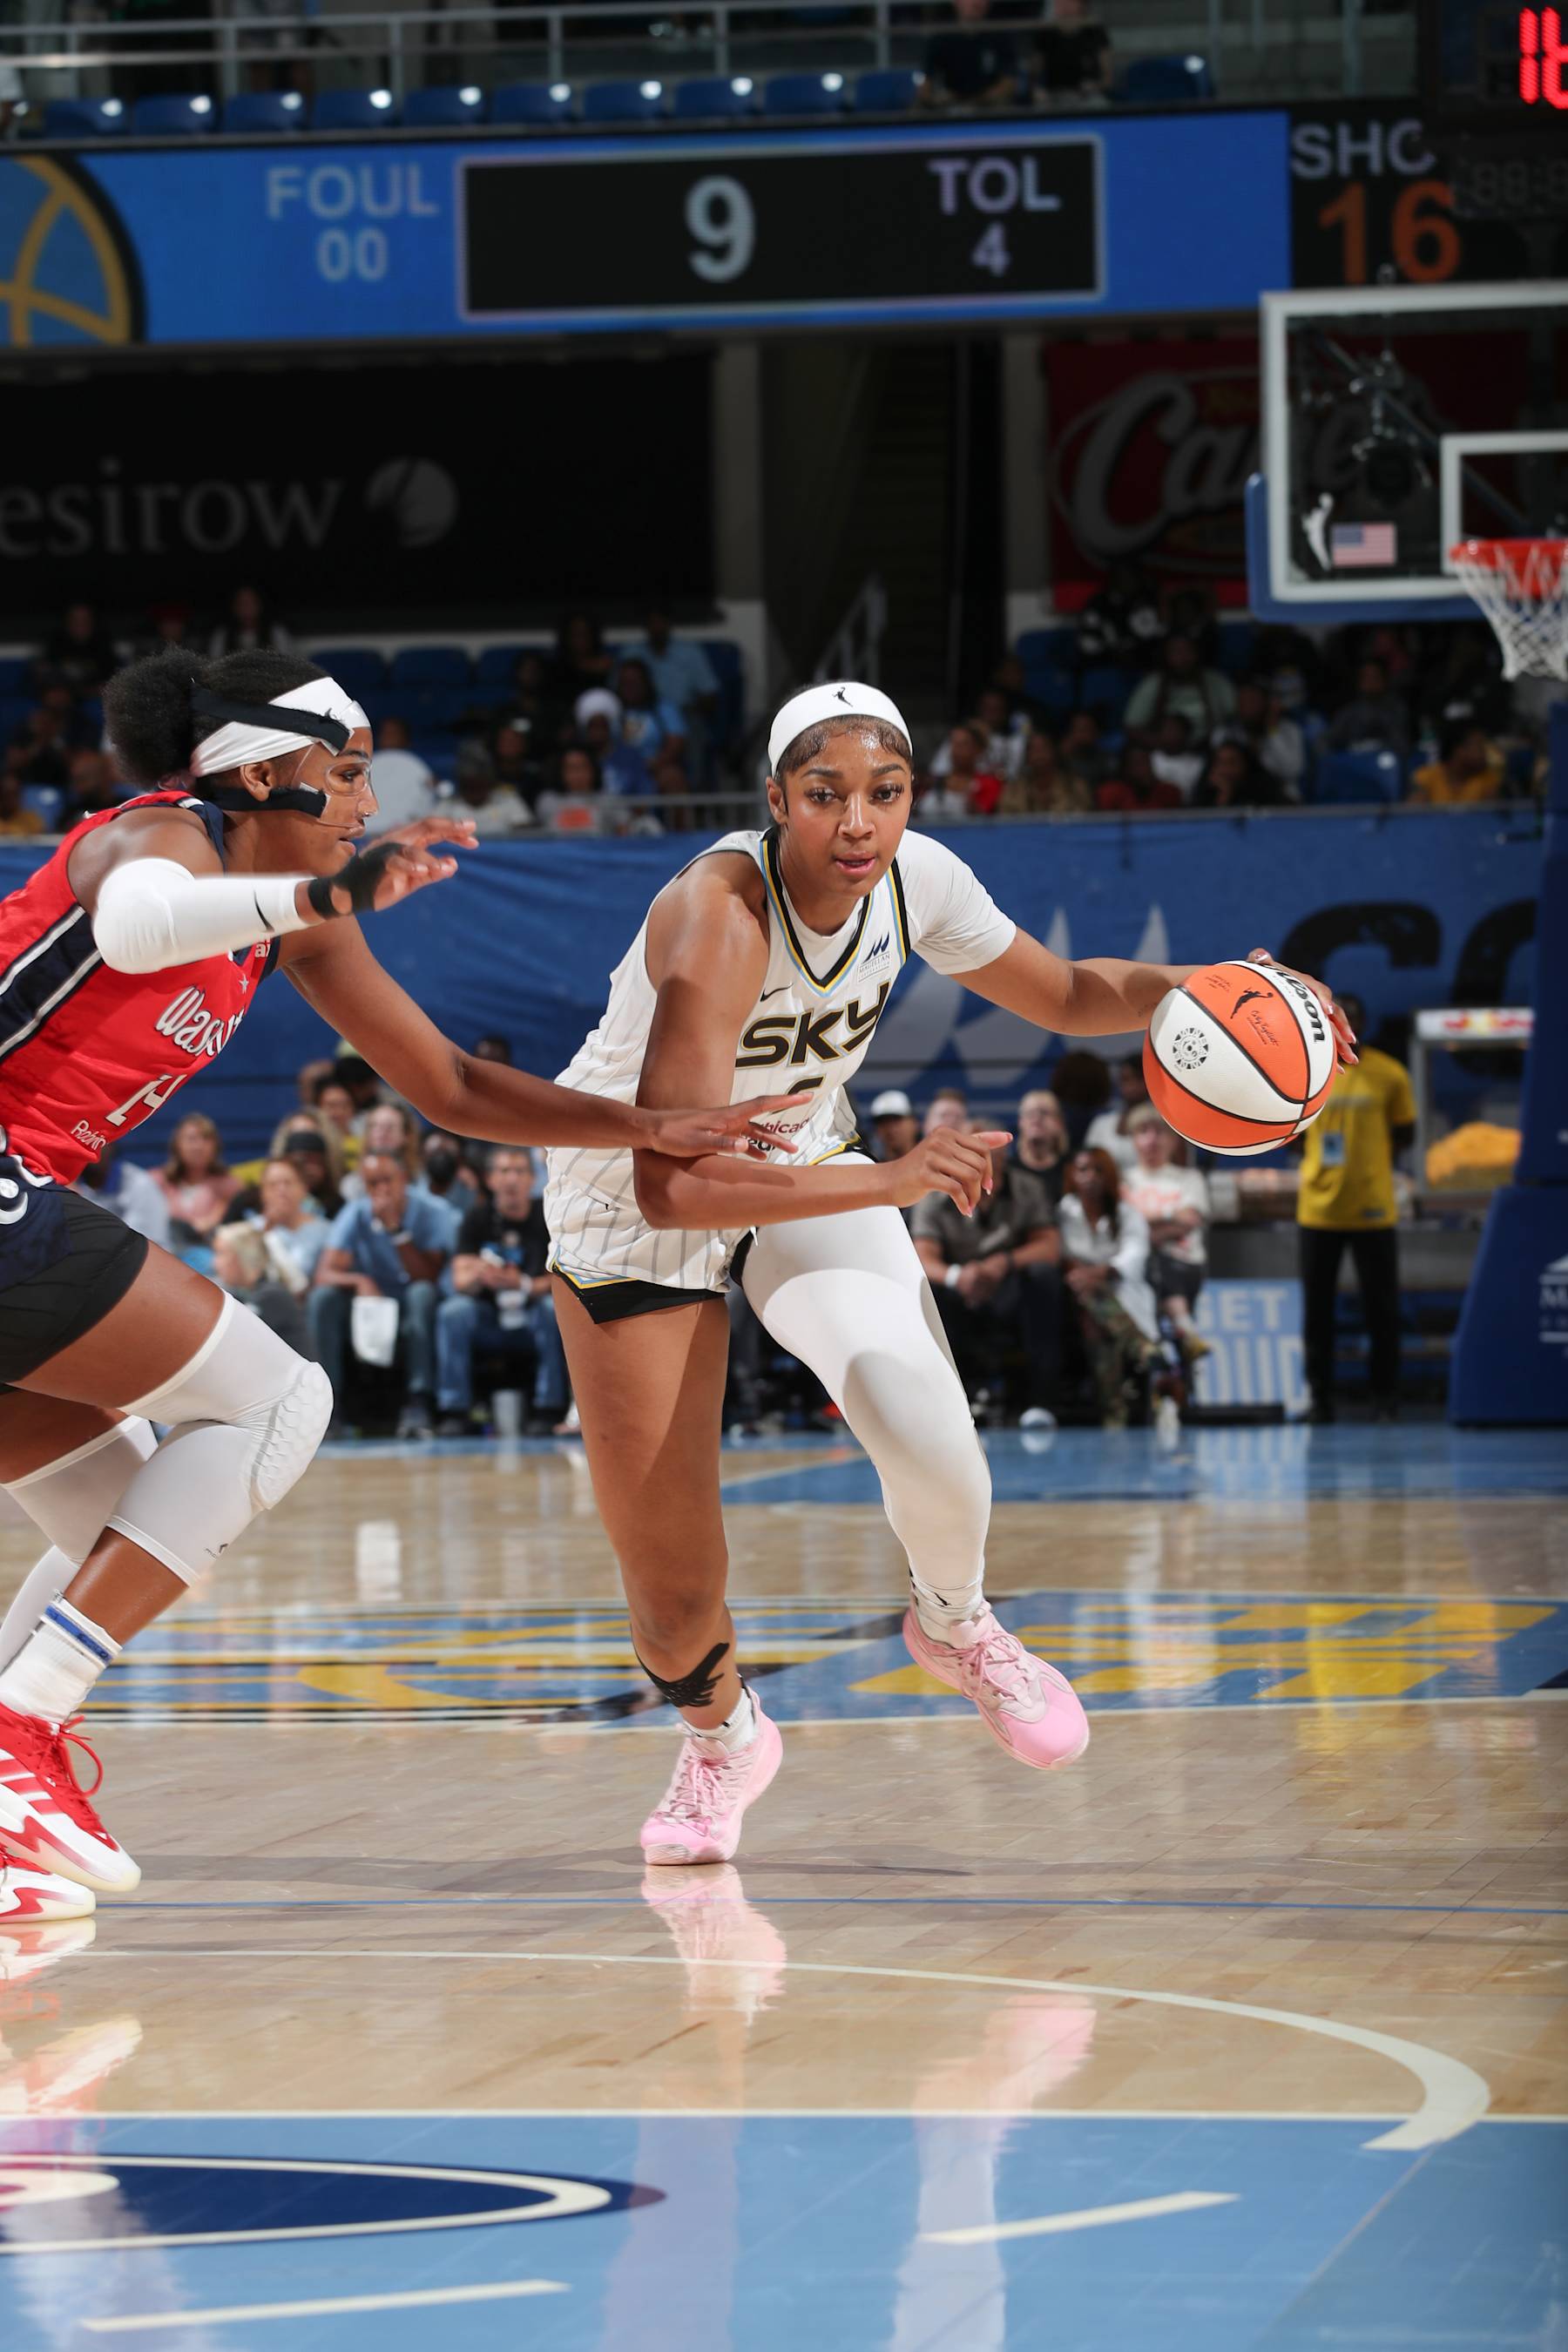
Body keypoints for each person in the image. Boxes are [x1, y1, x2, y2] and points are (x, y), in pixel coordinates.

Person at [0, 643, 802, 1912]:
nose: (370, 803)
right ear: (263, 770)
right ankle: (19, 1738)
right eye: (350, 772)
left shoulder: (286, 921)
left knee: (134, 1511)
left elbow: (452, 1085)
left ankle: (6, 1770)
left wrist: (649, 1127)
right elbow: (132, 923)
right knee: (275, 1405)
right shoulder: (161, 840)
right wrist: (324, 900)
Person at [541, 678, 1348, 1867]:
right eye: (826, 796)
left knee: (922, 1418)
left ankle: (955, 1624)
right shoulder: (718, 914)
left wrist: (1209, 994)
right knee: (669, 1598)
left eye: (886, 793)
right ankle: (724, 1742)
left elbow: (1070, 995)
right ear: (776, 801)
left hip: (802, 1158)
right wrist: (894, 1180)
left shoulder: (920, 880)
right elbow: (675, 1182)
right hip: (633, 1204)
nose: (858, 823)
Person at [1295, 991, 1413, 1423]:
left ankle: (1385, 1398)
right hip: (1318, 1210)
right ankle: (1320, 1399)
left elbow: (1406, 1134)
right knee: (1317, 1312)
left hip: (1373, 1209)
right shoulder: (1304, 1071)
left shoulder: (1390, 1074)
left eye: (1354, 1019)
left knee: (1382, 1309)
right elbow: (1292, 1137)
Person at [913, 1125, 1063, 1422]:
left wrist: (1004, 1262)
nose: (982, 1160)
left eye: (991, 1154)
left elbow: (1049, 1247)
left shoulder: (1027, 1187)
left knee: (1043, 1278)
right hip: (955, 1285)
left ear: (1005, 1156)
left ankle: (1042, 1402)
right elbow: (922, 1257)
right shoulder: (932, 1191)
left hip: (1008, 1283)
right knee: (925, 1288)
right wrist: (958, 1276)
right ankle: (948, 1403)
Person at [309, 1149, 455, 1438]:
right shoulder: (356, 1212)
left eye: (387, 1180)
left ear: (404, 1178)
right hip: (371, 1304)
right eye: (373, 1184)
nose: (382, 1190)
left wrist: (396, 1231)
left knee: (421, 1293)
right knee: (322, 1298)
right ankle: (328, 1408)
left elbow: (429, 1275)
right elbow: (324, 1273)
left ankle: (418, 1403)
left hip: (417, 1301)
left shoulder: (431, 1210)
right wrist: (360, 1280)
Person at [435, 1147, 568, 1437]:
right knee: (453, 1312)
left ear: (533, 1179)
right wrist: (482, 1274)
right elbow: (460, 1279)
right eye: (504, 1171)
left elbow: (562, 1278)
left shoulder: (548, 1217)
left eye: (520, 1171)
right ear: (490, 1179)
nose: (512, 1179)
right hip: (489, 1313)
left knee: (551, 1309)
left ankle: (549, 1409)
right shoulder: (477, 1217)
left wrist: (522, 1284)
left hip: (532, 1311)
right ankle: (455, 1410)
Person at [1057, 1147, 1163, 1428]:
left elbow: (1135, 1253)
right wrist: (1085, 1275)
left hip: (1119, 1290)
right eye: (1083, 1170)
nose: (1090, 1177)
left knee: (1096, 1320)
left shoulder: (1126, 1213)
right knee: (1088, 1296)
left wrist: (1101, 1272)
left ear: (1109, 1177)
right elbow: (1062, 1252)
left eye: (1097, 1170)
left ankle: (1114, 1412)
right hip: (1074, 1291)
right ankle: (1141, 1347)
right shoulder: (1065, 1210)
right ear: (1072, 1175)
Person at [1120, 1106, 1212, 1369]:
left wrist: (1145, 1224)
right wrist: (1170, 1216)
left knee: (1159, 1262)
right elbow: (1126, 1227)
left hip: (1185, 1263)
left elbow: (1189, 1221)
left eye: (1160, 1132)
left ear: (1173, 1139)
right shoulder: (1123, 1181)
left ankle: (1157, 1346)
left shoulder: (1189, 1178)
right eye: (1143, 1132)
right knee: (1149, 1263)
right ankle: (1186, 1332)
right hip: (1135, 1271)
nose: (1151, 1140)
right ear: (1132, 1139)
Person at [152, 1113, 240, 1260]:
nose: (199, 1146)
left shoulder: (231, 1186)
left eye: (205, 1139)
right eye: (191, 1139)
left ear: (215, 1146)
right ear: (177, 1145)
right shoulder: (155, 1182)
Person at [1124, 634, 1236, 740]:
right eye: (1176, 652)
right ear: (1165, 656)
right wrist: (1162, 745)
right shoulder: (1153, 683)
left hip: (1212, 749)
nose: (1183, 658)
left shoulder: (1215, 680)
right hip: (1163, 751)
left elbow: (1236, 713)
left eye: (1189, 651)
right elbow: (1132, 727)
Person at [921, 0, 1022, 107]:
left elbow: (1010, 82)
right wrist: (936, 99)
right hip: (950, 110)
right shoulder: (941, 37)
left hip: (991, 109)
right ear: (956, 2)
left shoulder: (1000, 35)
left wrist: (978, 101)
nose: (976, 3)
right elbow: (924, 83)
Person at [365, 717, 437, 835]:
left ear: (406, 738)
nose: (389, 737)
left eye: (394, 733)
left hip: (405, 832)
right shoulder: (365, 764)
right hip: (367, 832)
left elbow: (430, 799)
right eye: (386, 733)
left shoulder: (417, 766)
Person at [1327, 657, 1409, 757]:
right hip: (1355, 764)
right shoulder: (1349, 711)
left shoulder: (1397, 708)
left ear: (1384, 680)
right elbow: (1331, 741)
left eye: (1375, 678)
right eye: (1366, 678)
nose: (1370, 683)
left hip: (1386, 764)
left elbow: (1402, 745)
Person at [1410, 720, 1504, 806]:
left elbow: (1493, 820)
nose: (1484, 754)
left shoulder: (1488, 779)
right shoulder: (1427, 777)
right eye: (1479, 747)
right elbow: (1413, 817)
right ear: (1459, 750)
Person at [1032, 0, 1111, 103]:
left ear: (1081, 5)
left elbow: (1108, 79)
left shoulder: (1095, 31)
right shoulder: (1045, 33)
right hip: (1053, 96)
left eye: (1070, 2)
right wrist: (1038, 90)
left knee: (1099, 104)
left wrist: (1095, 86)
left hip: (1088, 96)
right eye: (1060, 2)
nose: (1065, 6)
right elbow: (1035, 75)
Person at [1084, 1054, 1148, 1172]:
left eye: (1138, 1078)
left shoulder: (1167, 1125)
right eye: (1125, 1079)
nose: (1131, 1086)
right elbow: (1089, 1165)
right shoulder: (1101, 1125)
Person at [1011, 1088, 1069, 1206]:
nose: (1036, 1119)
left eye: (1044, 1113)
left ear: (1059, 1123)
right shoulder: (1008, 1170)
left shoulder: (1072, 1170)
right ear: (1020, 1122)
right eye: (1030, 1114)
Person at [1192, 738, 1280, 810]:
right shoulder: (1204, 792)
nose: (1225, 769)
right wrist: (1224, 797)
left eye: (1232, 762)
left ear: (1245, 765)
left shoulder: (1264, 790)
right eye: (1220, 763)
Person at [208, 586, 292, 659]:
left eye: (251, 603)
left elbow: (287, 663)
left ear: (260, 605)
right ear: (234, 608)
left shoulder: (276, 633)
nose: (246, 609)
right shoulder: (222, 636)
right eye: (242, 604)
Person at [1096, 747, 1181, 814]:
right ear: (1126, 769)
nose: (1144, 769)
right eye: (1137, 764)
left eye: (1146, 763)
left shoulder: (1169, 792)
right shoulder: (1111, 792)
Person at [868, 1090, 918, 1163]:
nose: (891, 1128)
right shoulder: (870, 1169)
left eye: (897, 1120)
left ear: (914, 1123)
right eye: (883, 1122)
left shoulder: (934, 1166)